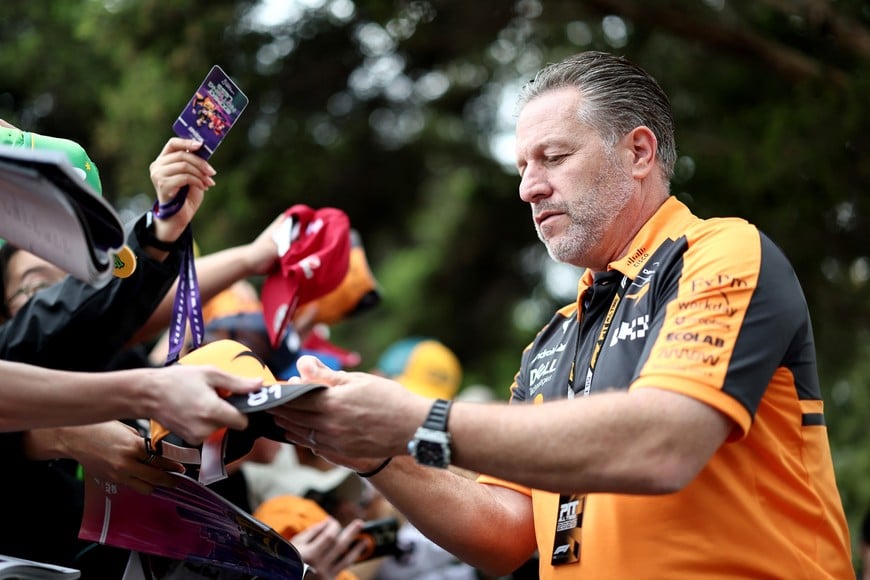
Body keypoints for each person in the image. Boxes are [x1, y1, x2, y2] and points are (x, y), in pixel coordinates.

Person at [268, 51, 853, 579]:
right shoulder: (552, 338)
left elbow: (665, 443)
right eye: (522, 166)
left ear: (639, 152)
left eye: (554, 157)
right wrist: (376, 454)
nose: (528, 188)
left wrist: (420, 420)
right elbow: (504, 535)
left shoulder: (720, 250)